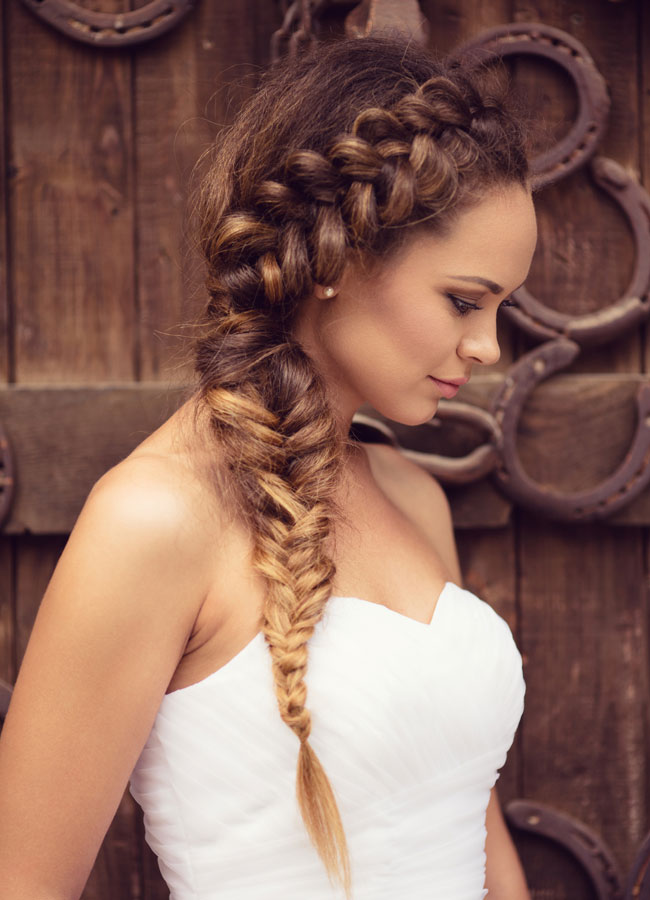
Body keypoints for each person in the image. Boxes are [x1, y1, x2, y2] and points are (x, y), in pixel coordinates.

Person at [0, 33, 537, 900]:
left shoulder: (415, 497)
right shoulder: (153, 520)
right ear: (340, 258)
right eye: (465, 301)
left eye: (501, 308)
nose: (487, 347)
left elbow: (469, 823)